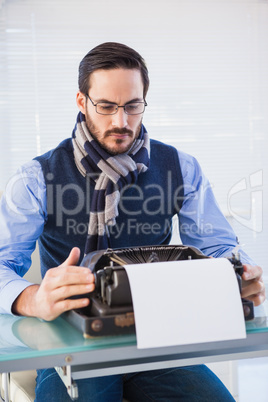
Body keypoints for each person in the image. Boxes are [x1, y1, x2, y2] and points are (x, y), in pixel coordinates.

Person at [0, 42, 265, 401]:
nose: (121, 121)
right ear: (82, 101)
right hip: (71, 347)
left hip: (160, 339)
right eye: (106, 106)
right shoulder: (35, 177)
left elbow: (217, 247)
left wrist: (238, 272)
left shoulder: (181, 167)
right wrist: (32, 299)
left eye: (133, 106)